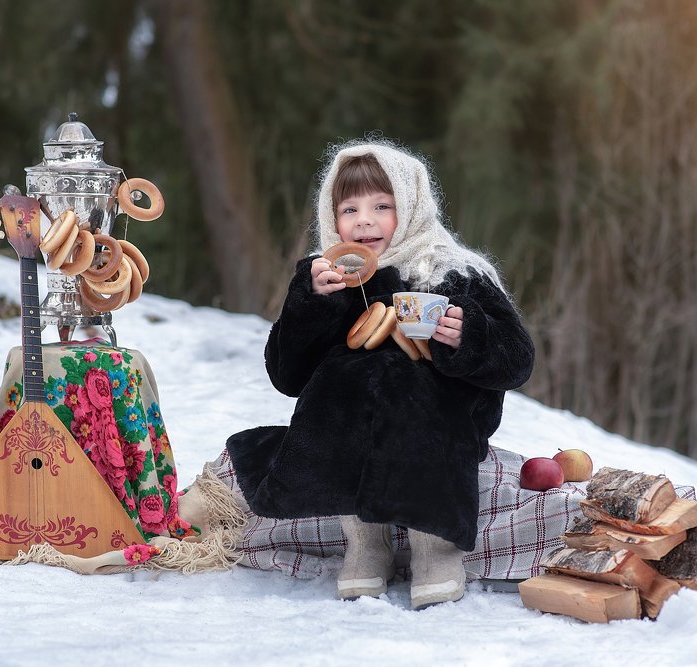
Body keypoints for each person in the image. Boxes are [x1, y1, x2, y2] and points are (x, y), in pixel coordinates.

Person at [226, 139, 534, 609]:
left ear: (410, 207)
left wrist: (467, 335)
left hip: (444, 419)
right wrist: (310, 303)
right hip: (348, 418)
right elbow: (288, 375)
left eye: (381, 206)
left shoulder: (453, 273)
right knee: (336, 387)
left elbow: (518, 359)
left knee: (413, 387)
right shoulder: (330, 278)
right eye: (349, 208)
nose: (364, 220)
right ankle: (366, 543)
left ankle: (435, 545)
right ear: (332, 216)